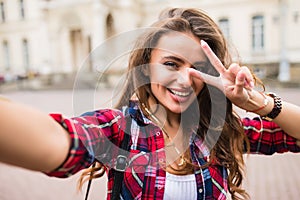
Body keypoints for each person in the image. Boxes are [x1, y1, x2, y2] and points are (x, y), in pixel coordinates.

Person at [0, 7, 300, 200]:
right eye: (171, 64)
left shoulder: (218, 132)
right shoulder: (119, 131)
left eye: (198, 69)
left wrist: (256, 102)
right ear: (147, 66)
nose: (185, 80)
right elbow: (60, 140)